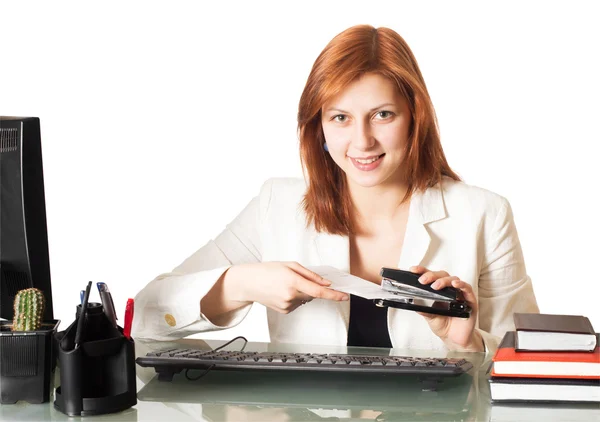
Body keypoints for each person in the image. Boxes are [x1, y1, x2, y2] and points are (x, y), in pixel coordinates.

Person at [132, 24, 539, 354]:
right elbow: (147, 315)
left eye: (382, 115)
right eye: (340, 117)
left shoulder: (483, 214)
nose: (362, 142)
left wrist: (466, 344)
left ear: (415, 118)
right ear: (319, 128)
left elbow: (525, 361)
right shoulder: (277, 205)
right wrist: (241, 284)